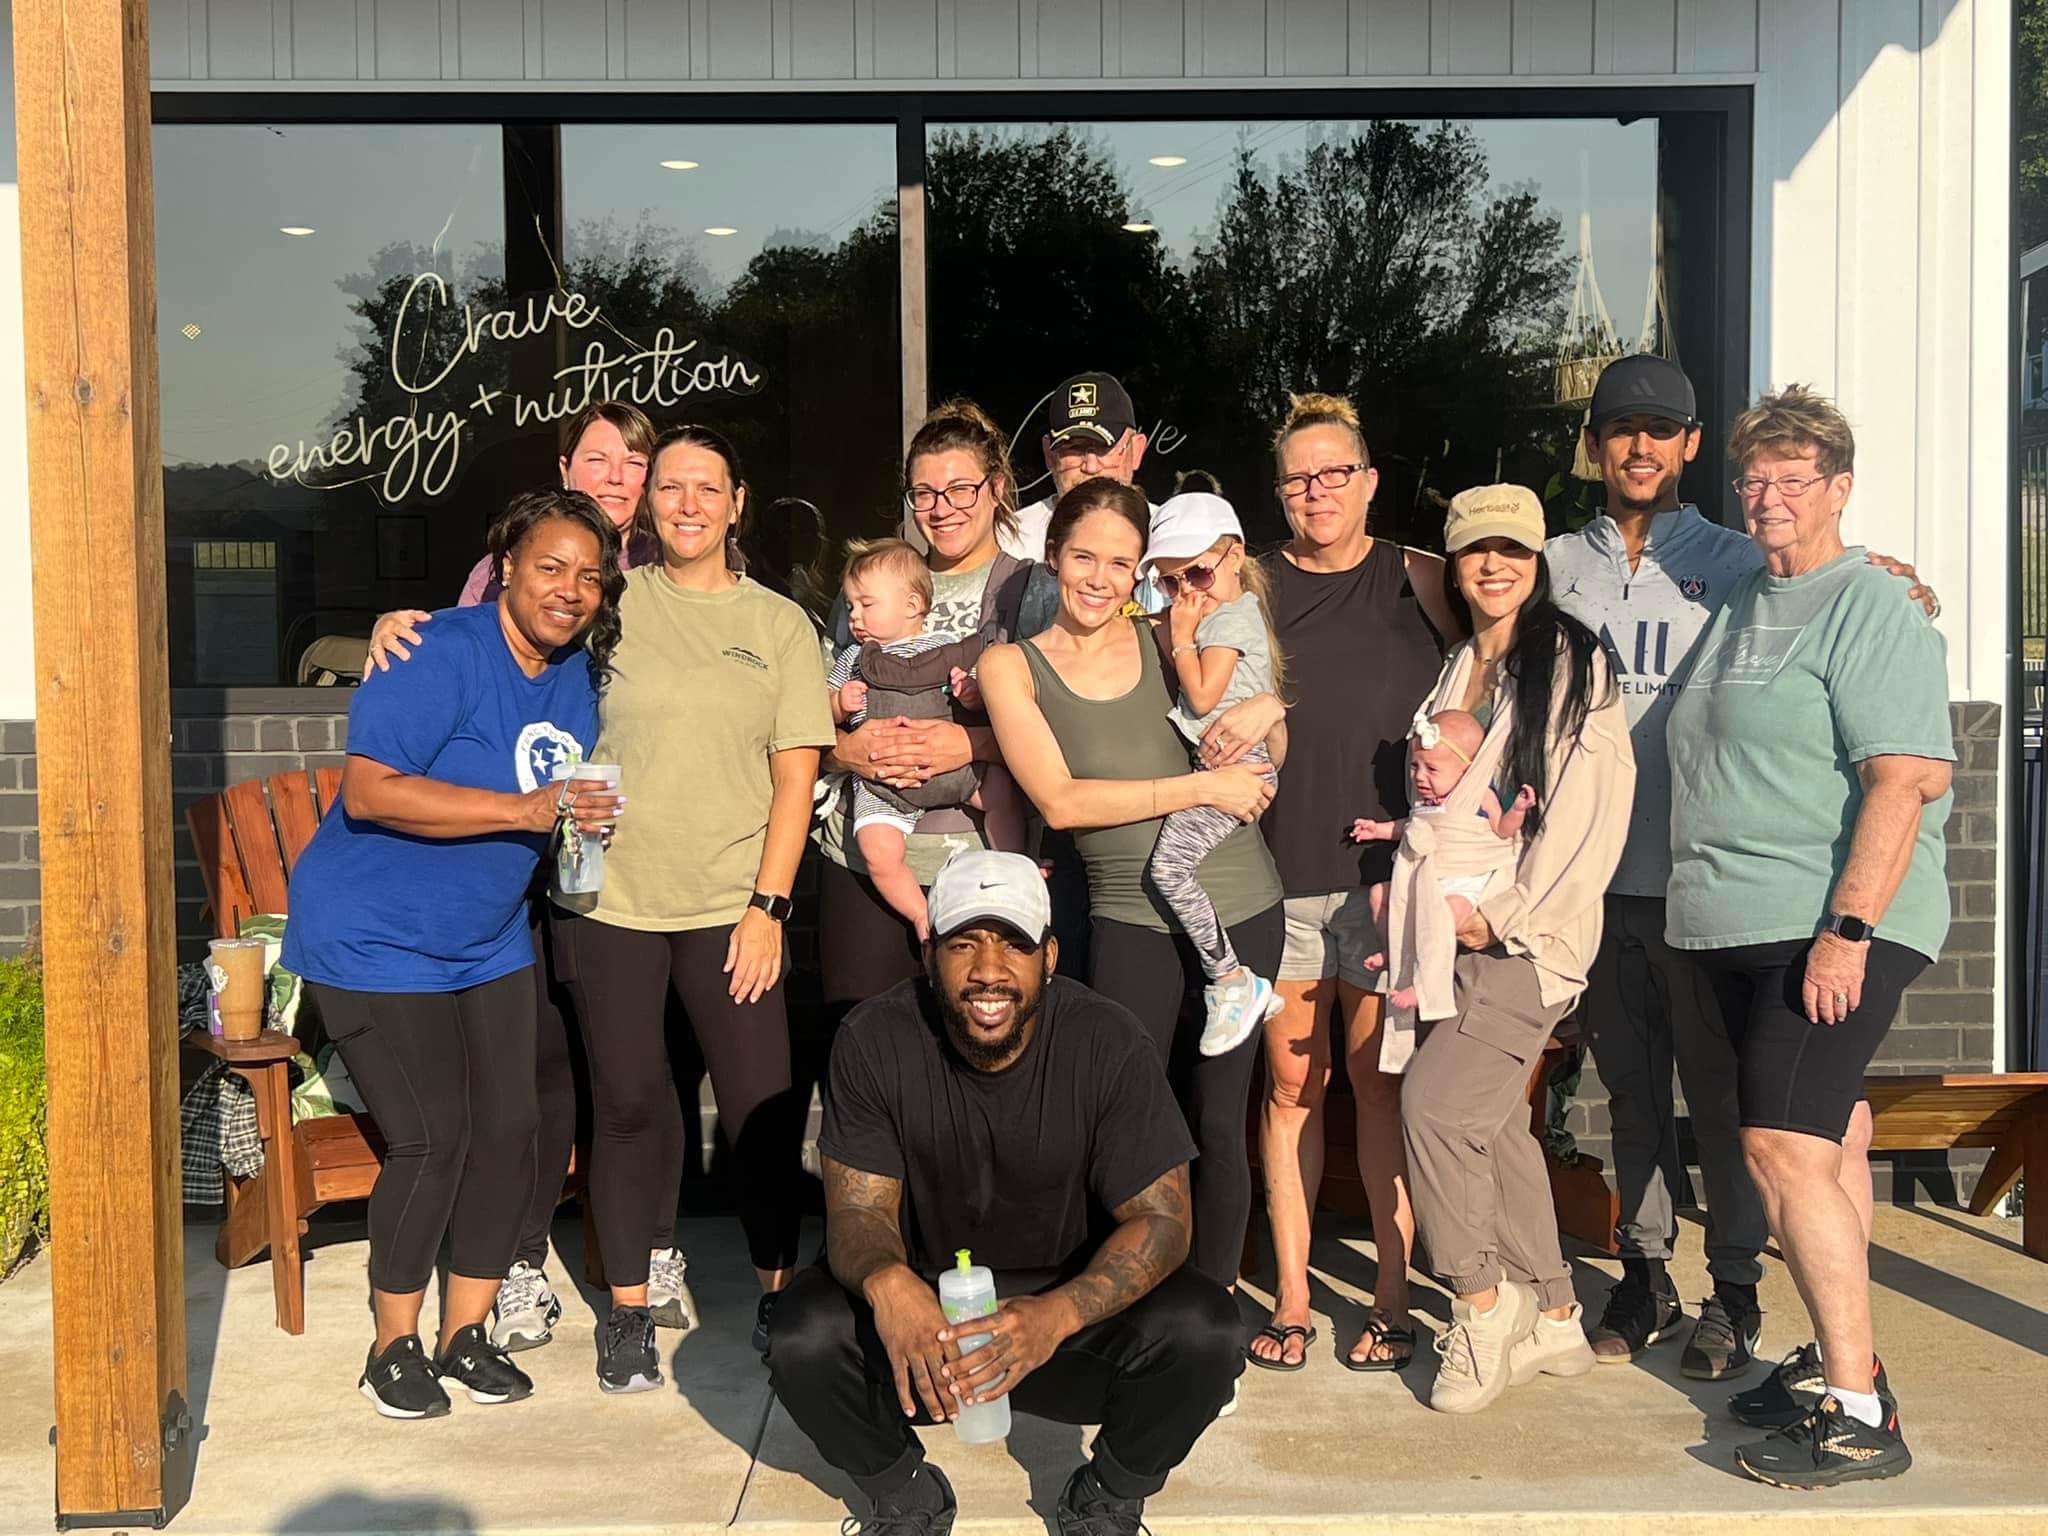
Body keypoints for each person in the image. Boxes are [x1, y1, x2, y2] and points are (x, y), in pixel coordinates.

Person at [1548, 355, 1938, 1381]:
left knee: (1729, 1106)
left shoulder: (1734, 556)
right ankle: (1642, 1275)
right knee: (1628, 1096)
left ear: (1684, 447)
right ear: (1592, 446)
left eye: (1658, 429)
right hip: (1597, 881)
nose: (1636, 445)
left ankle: (1734, 1290)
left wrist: (1894, 576)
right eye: (1616, 428)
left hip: (1713, 891)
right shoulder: (1549, 565)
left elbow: (1832, 586)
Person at [766, 850, 1241, 1536]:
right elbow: (859, 1210)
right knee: (801, 1337)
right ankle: (904, 1497)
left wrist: (1054, 1316)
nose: (989, 970)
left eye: (1013, 943)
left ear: (1049, 955)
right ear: (929, 954)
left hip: (1065, 1322)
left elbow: (1164, 1222)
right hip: (929, 1329)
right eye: (964, 943)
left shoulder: (1108, 1040)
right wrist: (887, 1281)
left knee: (1207, 1331)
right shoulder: (874, 1038)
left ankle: (1107, 1495)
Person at [281, 488, 625, 1418]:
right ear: (504, 567)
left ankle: (464, 1333)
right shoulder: (435, 650)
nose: (570, 589)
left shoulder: (576, 674)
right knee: (435, 1135)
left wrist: (576, 819)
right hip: (372, 936)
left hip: (486, 937)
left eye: (589, 576)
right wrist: (524, 812)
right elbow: (370, 792)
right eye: (550, 567)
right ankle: (392, 1345)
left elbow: (555, 789)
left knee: (512, 1134)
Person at [1665, 387, 1952, 1488]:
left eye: (1793, 479)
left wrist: (1845, 932)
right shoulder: (1741, 589)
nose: (1768, 496)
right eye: (1753, 478)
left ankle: (1857, 1410)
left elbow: (1901, 778)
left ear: (1838, 487)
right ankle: (1849, 1361)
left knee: (1777, 1147)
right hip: (1736, 917)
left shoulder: (1869, 604)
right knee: (1825, 1141)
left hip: (1822, 920)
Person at [361, 400, 667, 1353]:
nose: (619, 477)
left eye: (635, 464)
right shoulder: (507, 571)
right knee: (525, 1078)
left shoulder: (666, 570)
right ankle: (517, 1266)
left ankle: (637, 1256)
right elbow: (456, 664)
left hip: (617, 866)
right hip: (505, 867)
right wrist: (393, 630)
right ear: (567, 464)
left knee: (618, 1070)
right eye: (601, 458)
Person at [551, 423, 833, 1393]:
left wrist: (767, 907)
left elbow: (793, 782)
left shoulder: (778, 625)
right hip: (611, 905)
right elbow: (509, 657)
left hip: (729, 907)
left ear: (735, 502)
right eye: (668, 487)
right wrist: (397, 633)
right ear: (649, 502)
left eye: (705, 487)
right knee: (627, 1107)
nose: (685, 503)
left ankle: (777, 1298)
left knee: (759, 1115)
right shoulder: (607, 607)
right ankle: (627, 1315)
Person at [980, 478, 1284, 1291]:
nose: (1100, 577)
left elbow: (1259, 725)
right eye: (1084, 556)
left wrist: (1273, 718)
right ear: (1053, 557)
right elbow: (1060, 801)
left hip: (1241, 904)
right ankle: (1131, 1301)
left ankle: (1209, 1311)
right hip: (1125, 916)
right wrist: (1198, 789)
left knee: (1221, 1122)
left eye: (1121, 562)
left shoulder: (1165, 637)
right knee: (1130, 1124)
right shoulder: (1011, 666)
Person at [1397, 484, 1634, 1416]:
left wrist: (1505, 916)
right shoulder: (1458, 665)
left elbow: (1590, 812)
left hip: (1525, 944)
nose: (1494, 566)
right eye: (1474, 551)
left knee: (1435, 1109)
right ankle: (1560, 1314)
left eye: (1514, 551)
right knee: (1493, 1125)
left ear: (1538, 564)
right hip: (1450, 939)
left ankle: (1481, 1300)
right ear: (1453, 566)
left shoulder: (1571, 661)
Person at [1241, 393, 1461, 1374]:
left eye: (1333, 473)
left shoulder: (1420, 578)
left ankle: (1388, 1297)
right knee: (1290, 1088)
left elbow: (1522, 633)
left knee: (1379, 1094)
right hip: (1277, 880)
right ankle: (1291, 1298)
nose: (1314, 491)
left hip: (1385, 887)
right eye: (1296, 477)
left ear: (1369, 481)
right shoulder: (1247, 583)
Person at [815, 400, 1061, 1016]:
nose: (941, 508)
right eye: (924, 493)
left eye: (959, 488)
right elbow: (812, 716)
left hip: (983, 871)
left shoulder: (1033, 592)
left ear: (998, 488)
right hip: (865, 860)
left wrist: (974, 745)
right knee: (864, 1046)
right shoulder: (868, 588)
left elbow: (1069, 724)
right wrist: (848, 750)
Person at [1137, 491, 1288, 1053]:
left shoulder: (1230, 618)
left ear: (1235, 555)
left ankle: (1231, 980)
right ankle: (1240, 983)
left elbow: (1201, 697)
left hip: (1240, 767)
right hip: (1231, 763)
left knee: (1170, 870)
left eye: (1197, 574)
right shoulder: (1220, 612)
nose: (1185, 594)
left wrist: (1178, 636)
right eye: (1170, 583)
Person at [825, 537, 1027, 937]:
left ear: (912, 606)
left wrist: (969, 694)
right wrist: (839, 704)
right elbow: (820, 712)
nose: (854, 616)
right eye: (851, 606)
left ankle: (1014, 865)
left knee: (1001, 793)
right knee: (879, 850)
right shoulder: (853, 658)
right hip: (884, 784)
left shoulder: (947, 648)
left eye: (867, 604)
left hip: (960, 772)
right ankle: (919, 914)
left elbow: (977, 694)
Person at [1353, 709, 1537, 1013]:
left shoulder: (1479, 796)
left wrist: (1517, 809)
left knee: (1446, 915)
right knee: (1378, 895)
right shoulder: (1425, 802)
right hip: (1426, 879)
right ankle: (1392, 949)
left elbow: (1502, 831)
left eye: (1432, 770)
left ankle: (1424, 983)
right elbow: (1409, 827)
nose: (1419, 777)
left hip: (1464, 880)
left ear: (1467, 771)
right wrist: (1378, 829)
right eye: (1415, 766)